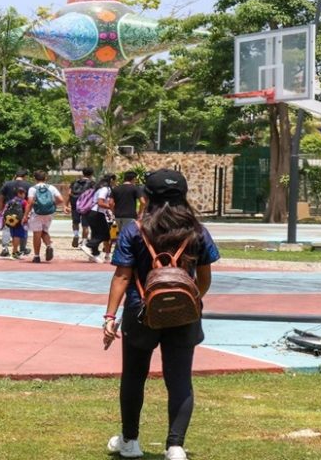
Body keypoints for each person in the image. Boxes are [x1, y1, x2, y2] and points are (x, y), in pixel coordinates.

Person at [101, 169, 218, 460]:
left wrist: (110, 317)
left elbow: (122, 276)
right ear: (184, 196)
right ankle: (175, 446)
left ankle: (130, 441)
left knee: (134, 376)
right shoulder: (197, 231)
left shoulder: (135, 230)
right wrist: (188, 302)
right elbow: (204, 278)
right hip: (185, 315)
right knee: (180, 379)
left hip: (141, 311)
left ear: (147, 197)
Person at [22, 170, 64, 264]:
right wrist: (53, 204)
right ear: (45, 178)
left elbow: (30, 203)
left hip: (37, 213)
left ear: (34, 178)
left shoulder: (32, 189)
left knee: (37, 233)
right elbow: (61, 200)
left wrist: (25, 215)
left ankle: (37, 256)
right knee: (44, 231)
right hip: (49, 213)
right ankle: (49, 245)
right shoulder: (51, 187)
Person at [0, 169, 32, 257]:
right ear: (25, 176)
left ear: (15, 175)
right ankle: (22, 248)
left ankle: (5, 248)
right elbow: (30, 200)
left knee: (7, 228)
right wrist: (29, 212)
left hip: (8, 211)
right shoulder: (28, 185)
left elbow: (0, 197)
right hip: (22, 212)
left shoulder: (7, 184)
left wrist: (0, 208)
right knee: (22, 229)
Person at [80, 174, 115, 264]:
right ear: (111, 180)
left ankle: (94, 254)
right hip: (97, 213)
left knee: (96, 234)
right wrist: (111, 208)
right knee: (105, 234)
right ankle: (88, 245)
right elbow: (100, 203)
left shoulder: (100, 188)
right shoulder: (105, 189)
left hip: (93, 213)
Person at [68, 167, 96, 249]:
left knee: (75, 222)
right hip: (86, 206)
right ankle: (84, 242)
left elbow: (69, 193)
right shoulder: (92, 183)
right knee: (85, 225)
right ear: (91, 174)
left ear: (83, 173)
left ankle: (76, 235)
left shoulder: (75, 182)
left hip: (75, 204)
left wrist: (66, 204)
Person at [5, 186, 28, 260]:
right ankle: (14, 252)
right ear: (19, 193)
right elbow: (27, 211)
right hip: (20, 221)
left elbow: (5, 211)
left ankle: (16, 251)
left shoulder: (10, 201)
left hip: (11, 221)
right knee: (17, 236)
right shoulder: (23, 202)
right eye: (23, 193)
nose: (24, 195)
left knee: (14, 236)